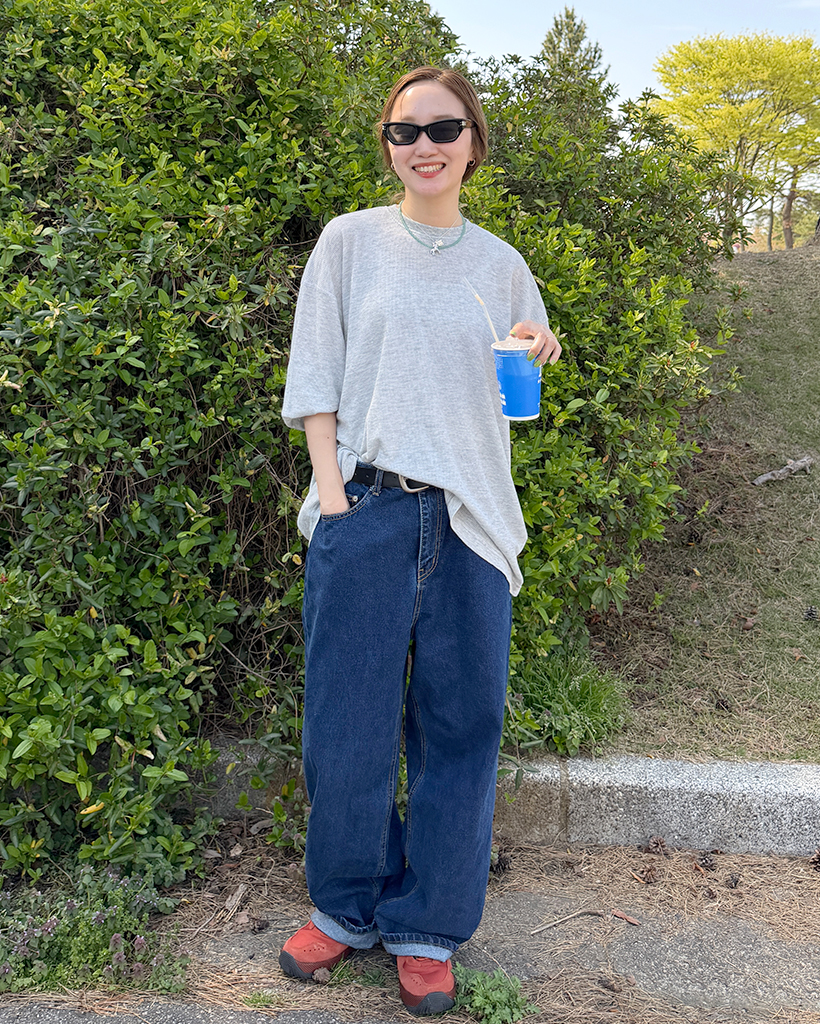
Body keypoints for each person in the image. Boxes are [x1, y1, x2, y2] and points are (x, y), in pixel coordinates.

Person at [279, 65, 562, 1016]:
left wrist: (541, 345)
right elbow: (315, 375)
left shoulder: (504, 264)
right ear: (388, 146)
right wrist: (334, 501)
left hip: (471, 520)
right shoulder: (350, 242)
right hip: (367, 509)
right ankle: (346, 907)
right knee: (346, 728)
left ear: (473, 142)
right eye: (406, 131)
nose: (425, 146)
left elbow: (516, 376)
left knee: (460, 727)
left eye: (444, 128)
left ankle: (428, 927)